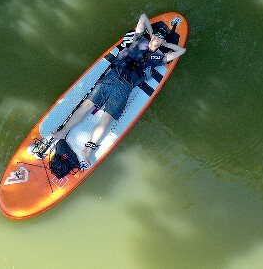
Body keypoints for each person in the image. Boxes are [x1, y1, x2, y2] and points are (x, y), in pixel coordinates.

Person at [45, 14, 185, 165]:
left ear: (163, 41)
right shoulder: (139, 39)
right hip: (112, 76)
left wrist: (166, 44)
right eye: (156, 35)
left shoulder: (160, 57)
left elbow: (181, 51)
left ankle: (88, 150)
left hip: (126, 87)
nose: (157, 38)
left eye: (160, 37)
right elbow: (143, 18)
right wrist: (151, 33)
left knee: (107, 118)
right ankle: (63, 131)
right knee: (87, 104)